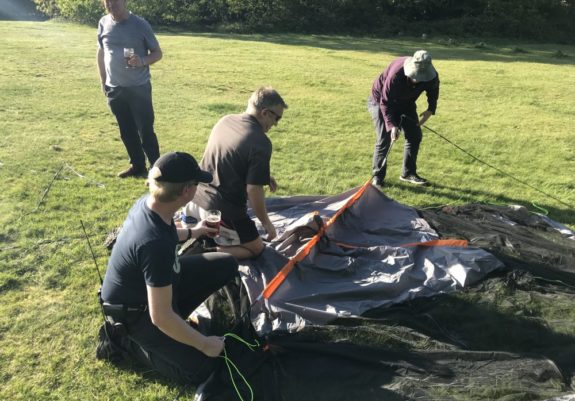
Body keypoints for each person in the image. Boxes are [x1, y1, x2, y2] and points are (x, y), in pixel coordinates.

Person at [99, 151, 238, 383]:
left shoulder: (149, 203)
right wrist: (205, 344)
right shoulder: (155, 245)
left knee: (226, 264)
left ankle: (177, 323)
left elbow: (166, 230)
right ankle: (128, 342)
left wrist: (195, 231)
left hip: (156, 285)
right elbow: (160, 316)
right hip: (134, 313)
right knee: (202, 368)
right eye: (196, 184)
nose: (197, 188)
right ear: (186, 191)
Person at [185, 86, 288, 260]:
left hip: (194, 200)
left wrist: (263, 176)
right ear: (265, 113)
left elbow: (227, 158)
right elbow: (253, 190)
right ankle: (203, 254)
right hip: (220, 212)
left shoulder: (225, 120)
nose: (276, 124)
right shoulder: (260, 142)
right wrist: (267, 223)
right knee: (256, 248)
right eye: (276, 118)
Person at [97, 0, 163, 178]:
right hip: (115, 88)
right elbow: (101, 52)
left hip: (138, 88)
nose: (111, 5)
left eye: (115, 1)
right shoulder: (103, 22)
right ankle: (137, 165)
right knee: (126, 131)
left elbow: (157, 53)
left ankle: (155, 171)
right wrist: (103, 81)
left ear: (125, 2)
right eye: (107, 2)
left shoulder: (140, 24)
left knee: (146, 131)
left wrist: (141, 61)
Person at [368, 50, 440, 187]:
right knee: (385, 138)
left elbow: (433, 90)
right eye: (415, 76)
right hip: (380, 102)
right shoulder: (397, 73)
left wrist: (431, 109)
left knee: (414, 136)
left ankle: (408, 173)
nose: (417, 80)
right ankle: (377, 177)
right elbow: (385, 102)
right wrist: (392, 125)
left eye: (421, 78)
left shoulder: (432, 75)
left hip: (406, 104)